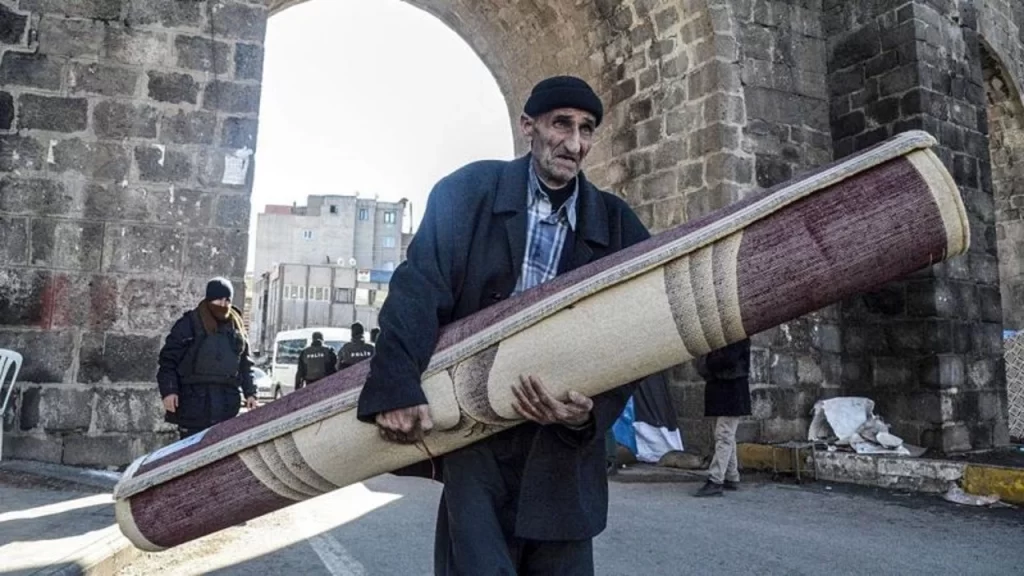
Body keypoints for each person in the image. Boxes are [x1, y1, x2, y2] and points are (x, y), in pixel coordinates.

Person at [357, 75, 650, 576]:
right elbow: (418, 286)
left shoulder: (618, 225)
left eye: (586, 129)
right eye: (561, 124)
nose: (574, 143)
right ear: (528, 126)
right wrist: (397, 381)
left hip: (562, 455)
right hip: (477, 439)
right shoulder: (468, 193)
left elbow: (643, 332)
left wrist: (589, 413)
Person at [157, 277, 258, 440]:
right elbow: (168, 362)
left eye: (227, 300)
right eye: (219, 299)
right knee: (190, 452)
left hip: (226, 404)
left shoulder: (236, 326)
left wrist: (251, 393)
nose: (223, 304)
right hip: (194, 404)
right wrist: (169, 391)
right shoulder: (188, 324)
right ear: (209, 298)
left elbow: (245, 365)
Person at [694, 338, 752, 497]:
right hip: (725, 387)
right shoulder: (732, 334)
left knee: (724, 434)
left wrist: (707, 362)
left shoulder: (737, 335)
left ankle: (716, 479)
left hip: (731, 388)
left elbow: (728, 358)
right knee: (726, 435)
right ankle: (732, 476)